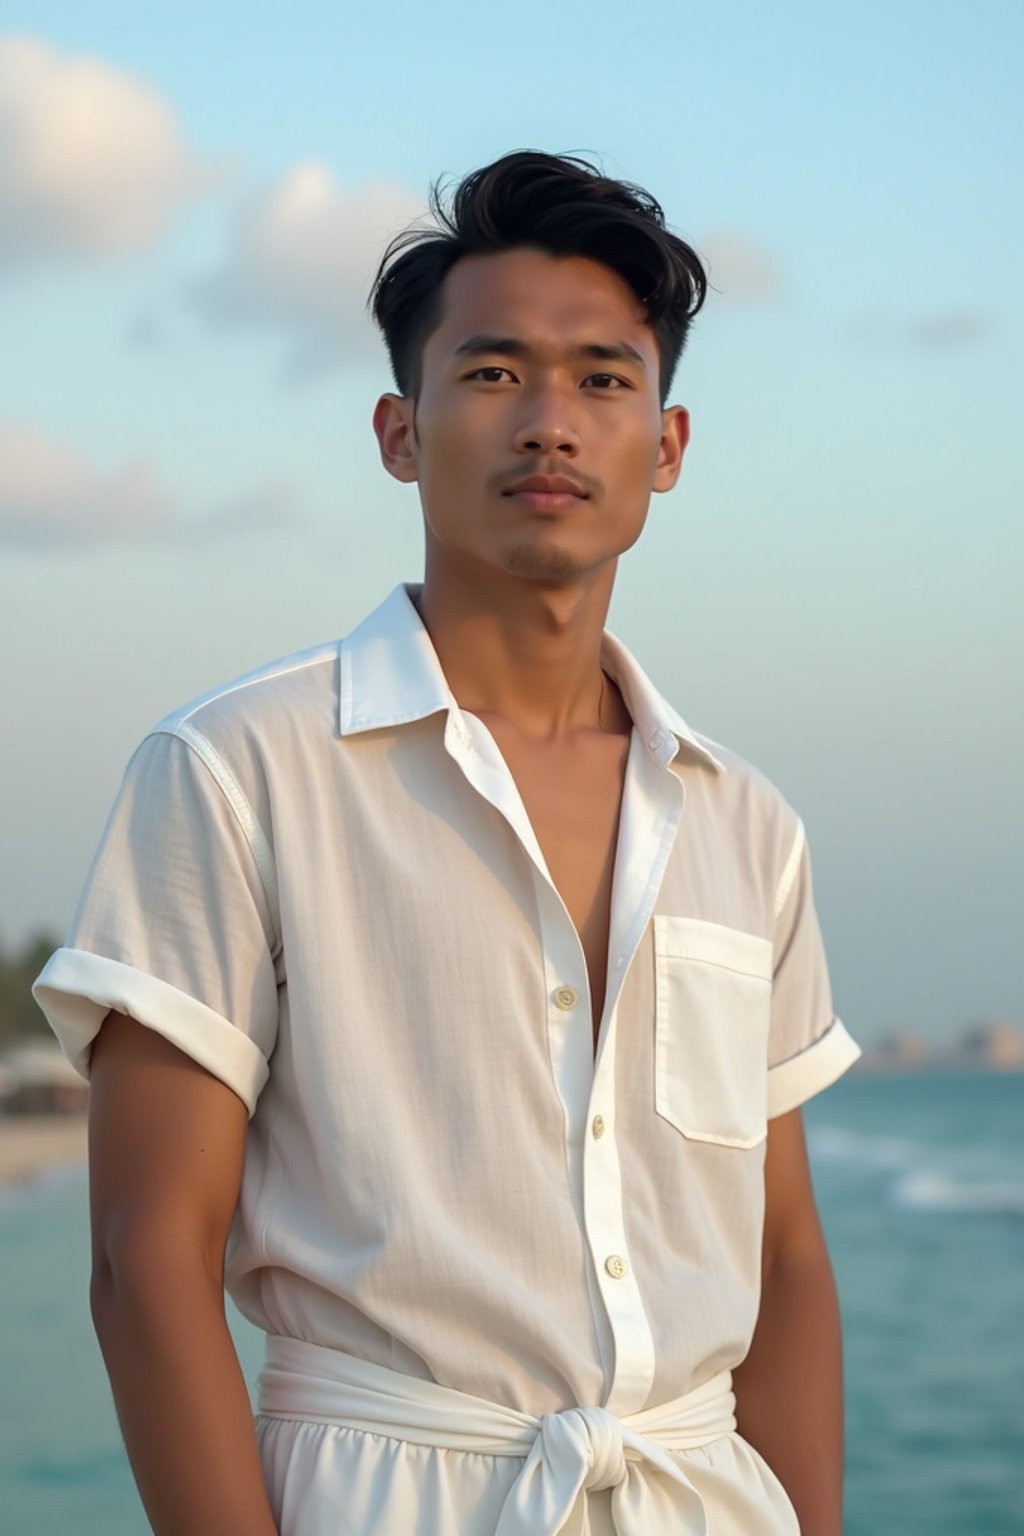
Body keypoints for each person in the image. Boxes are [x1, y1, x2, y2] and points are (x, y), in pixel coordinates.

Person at [34, 148, 861, 1536]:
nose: (551, 422)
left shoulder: (745, 823)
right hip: (382, 1492)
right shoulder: (239, 769)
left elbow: (781, 1256)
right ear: (400, 431)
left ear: (666, 447)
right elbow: (145, 1258)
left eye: (605, 378)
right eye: (492, 373)